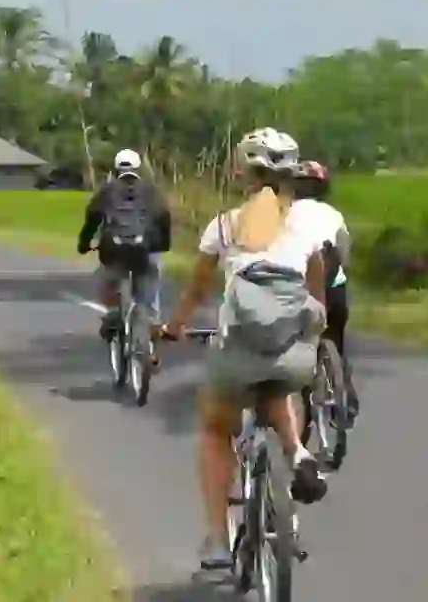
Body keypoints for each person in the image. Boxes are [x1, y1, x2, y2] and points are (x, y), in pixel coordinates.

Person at [158, 127, 328, 570]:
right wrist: (314, 327)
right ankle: (297, 452)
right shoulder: (310, 223)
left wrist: (174, 327)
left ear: (244, 173)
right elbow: (316, 288)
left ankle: (217, 539)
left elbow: (197, 289)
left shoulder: (225, 226)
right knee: (282, 385)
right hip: (292, 349)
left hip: (239, 347)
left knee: (216, 429)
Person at [76, 149, 172, 346]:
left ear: (116, 168)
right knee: (149, 287)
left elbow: (92, 219)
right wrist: (163, 244)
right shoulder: (151, 191)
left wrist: (84, 244)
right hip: (145, 251)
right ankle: (152, 330)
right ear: (138, 168)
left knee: (107, 278)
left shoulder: (107, 191)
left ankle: (112, 315)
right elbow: (164, 218)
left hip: (114, 252)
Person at [292, 160, 359, 425]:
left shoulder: (282, 213)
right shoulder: (333, 215)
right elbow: (344, 252)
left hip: (296, 290)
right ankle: (347, 400)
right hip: (333, 289)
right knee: (336, 340)